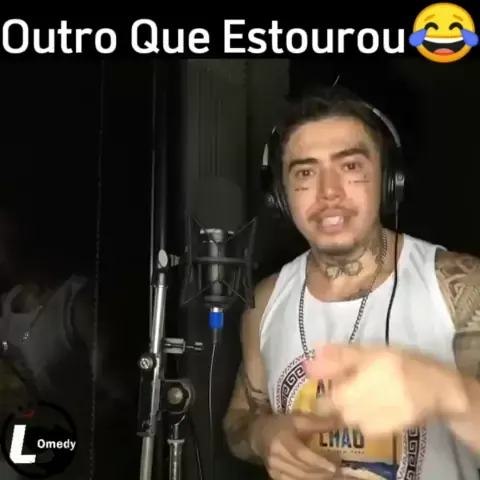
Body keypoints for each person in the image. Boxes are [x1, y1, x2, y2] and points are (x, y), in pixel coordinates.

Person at [222, 86, 480, 479]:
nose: (329, 193)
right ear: (282, 196)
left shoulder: (458, 287)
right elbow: (239, 418)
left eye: (350, 166)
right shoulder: (266, 301)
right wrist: (262, 434)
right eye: (305, 172)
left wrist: (447, 393)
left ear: (388, 181)